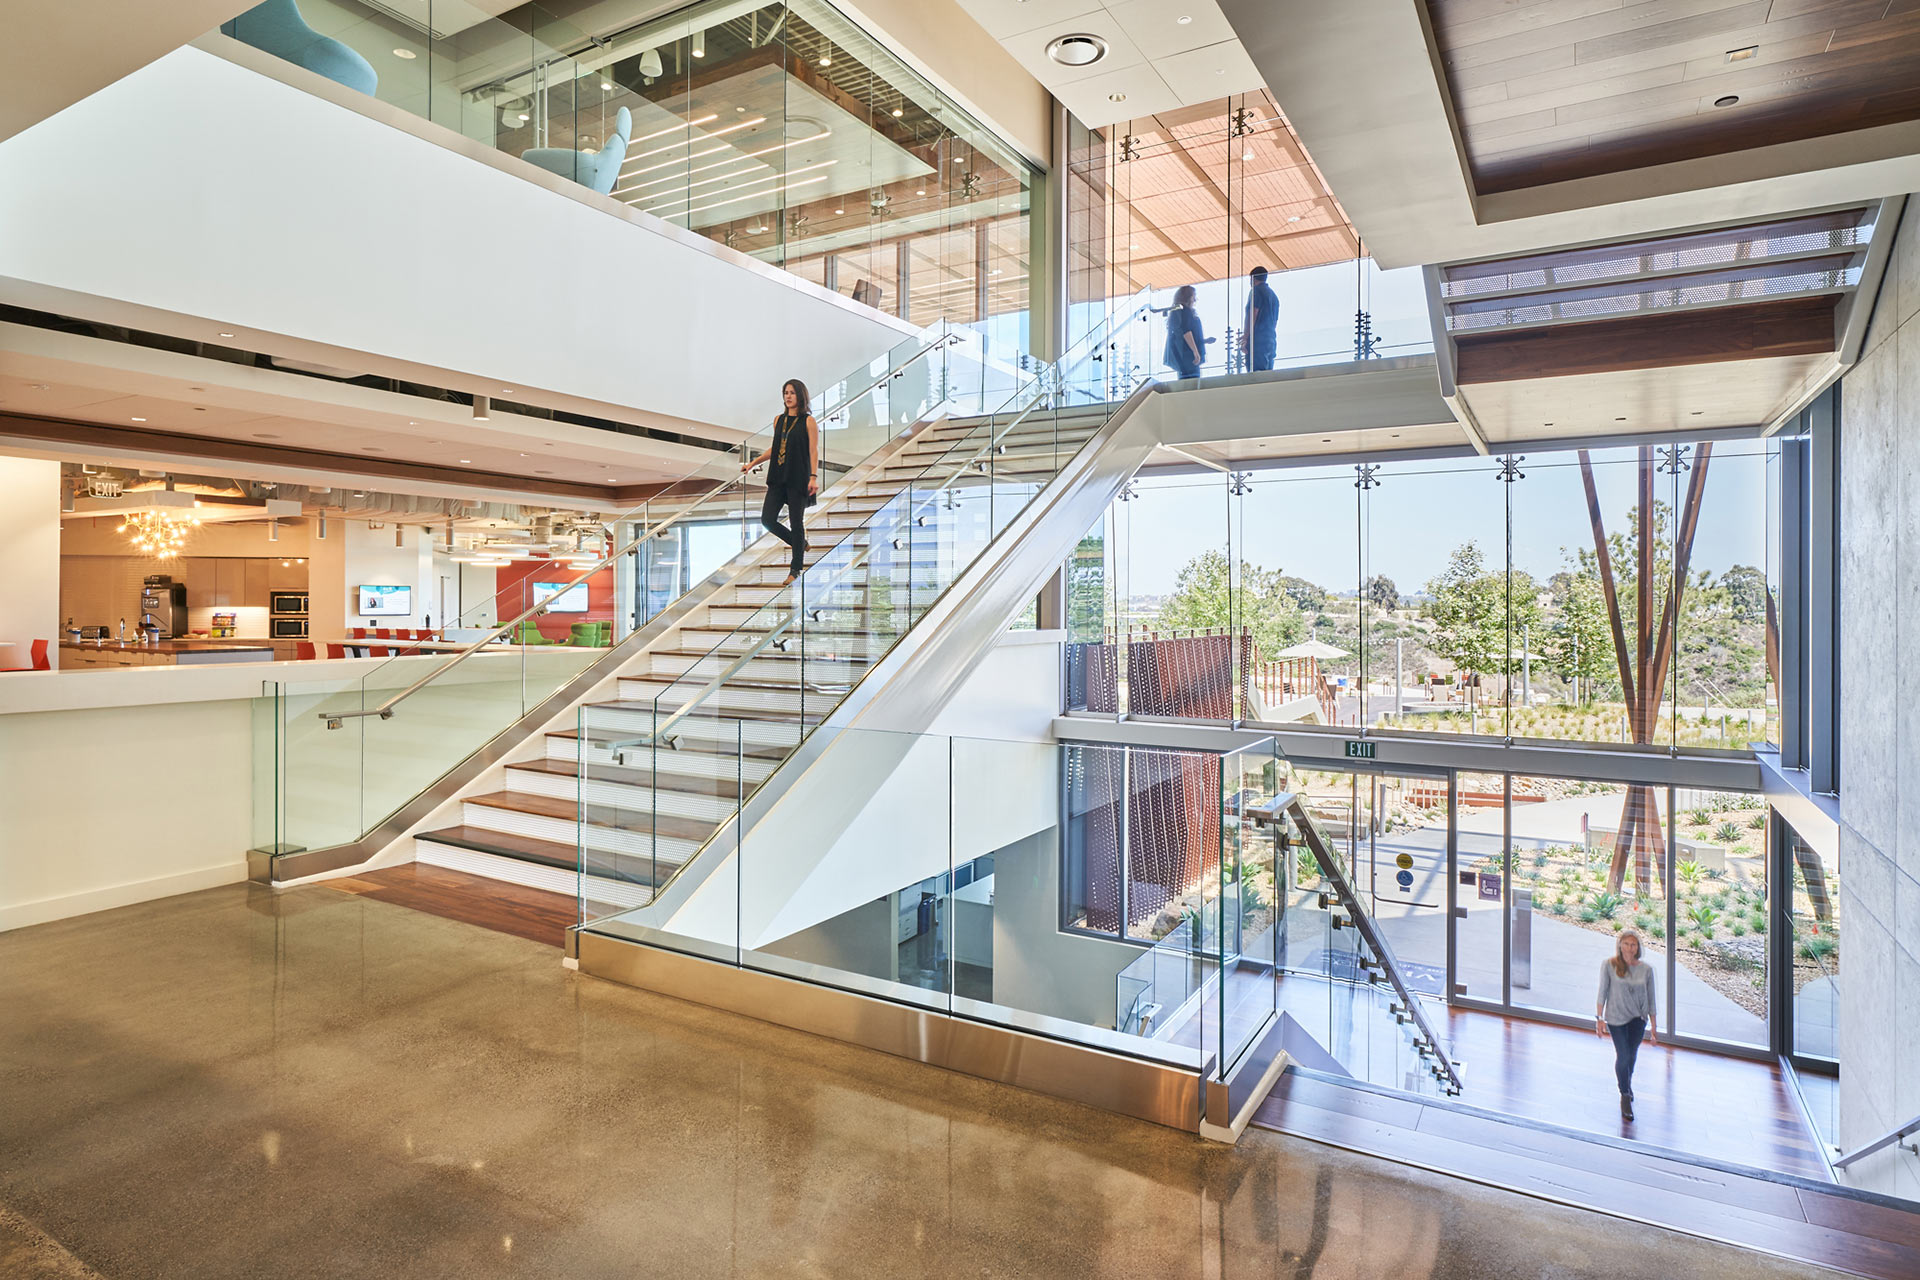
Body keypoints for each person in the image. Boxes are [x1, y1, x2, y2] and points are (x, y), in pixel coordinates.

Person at [744, 378, 820, 586]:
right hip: (778, 476)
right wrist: (753, 462)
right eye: (785, 393)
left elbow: (813, 450)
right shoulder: (779, 420)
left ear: (800, 396)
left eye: (792, 393)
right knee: (767, 519)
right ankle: (800, 543)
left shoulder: (808, 421)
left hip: (798, 477)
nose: (788, 396)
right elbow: (775, 447)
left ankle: (796, 569)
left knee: (797, 522)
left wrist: (813, 476)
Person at [1595, 928, 1658, 1121]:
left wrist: (1654, 1027)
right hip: (1616, 1018)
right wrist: (1599, 1019)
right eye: (1626, 944)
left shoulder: (1646, 970)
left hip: (1638, 1020)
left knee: (1631, 1056)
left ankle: (1627, 1083)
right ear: (1620, 945)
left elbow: (1651, 999)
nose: (1630, 948)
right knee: (1622, 1055)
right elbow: (1602, 992)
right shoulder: (1609, 965)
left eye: (1633, 944)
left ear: (1638, 947)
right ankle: (1624, 1094)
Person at [1240, 265, 1279, 371]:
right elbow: (1275, 321)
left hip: (1257, 340)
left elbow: (1253, 313)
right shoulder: (1274, 296)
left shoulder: (1256, 291)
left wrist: (1246, 337)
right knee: (1267, 376)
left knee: (1255, 375)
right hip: (1270, 340)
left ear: (1253, 278)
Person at [1164, 284, 1205, 380]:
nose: (1195, 300)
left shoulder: (1177, 312)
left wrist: (1204, 341)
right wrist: (1195, 352)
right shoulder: (1185, 311)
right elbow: (1186, 332)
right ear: (1188, 297)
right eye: (1193, 296)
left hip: (1182, 358)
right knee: (1193, 384)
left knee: (1184, 383)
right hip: (1189, 357)